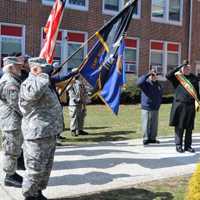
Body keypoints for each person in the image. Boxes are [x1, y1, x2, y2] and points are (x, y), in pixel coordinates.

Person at [19, 57, 63, 200]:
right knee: (35, 169)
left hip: (49, 132)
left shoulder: (44, 82)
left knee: (45, 168)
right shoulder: (29, 83)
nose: (48, 71)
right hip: (37, 135)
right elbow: (33, 95)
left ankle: (37, 192)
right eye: (44, 68)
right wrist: (43, 74)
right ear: (35, 69)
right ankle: (29, 195)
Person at [0, 57, 24, 187]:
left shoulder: (12, 79)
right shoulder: (9, 82)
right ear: (10, 67)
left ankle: (13, 172)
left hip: (13, 121)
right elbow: (17, 104)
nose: (20, 67)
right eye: (17, 65)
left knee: (15, 148)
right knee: (11, 149)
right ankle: (9, 176)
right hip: (11, 122)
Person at [166, 61, 200, 153]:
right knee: (179, 126)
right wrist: (180, 65)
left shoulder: (194, 78)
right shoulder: (177, 77)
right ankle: (178, 145)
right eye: (185, 68)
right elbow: (168, 75)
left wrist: (198, 102)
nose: (187, 70)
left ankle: (188, 146)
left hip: (190, 106)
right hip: (180, 105)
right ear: (181, 69)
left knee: (189, 127)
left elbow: (197, 91)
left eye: (188, 68)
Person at [136, 68, 163, 145]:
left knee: (154, 124)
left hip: (155, 107)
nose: (154, 76)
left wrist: (158, 104)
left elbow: (160, 95)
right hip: (146, 107)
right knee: (146, 123)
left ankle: (152, 138)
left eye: (156, 74)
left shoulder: (158, 84)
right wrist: (148, 74)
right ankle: (146, 139)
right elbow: (138, 82)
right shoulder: (145, 83)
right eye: (153, 74)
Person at [67, 72, 88, 137]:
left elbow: (84, 92)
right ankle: (73, 130)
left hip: (81, 103)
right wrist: (76, 99)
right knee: (74, 117)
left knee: (81, 117)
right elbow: (70, 92)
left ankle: (80, 130)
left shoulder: (81, 83)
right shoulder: (71, 83)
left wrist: (84, 101)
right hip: (74, 103)